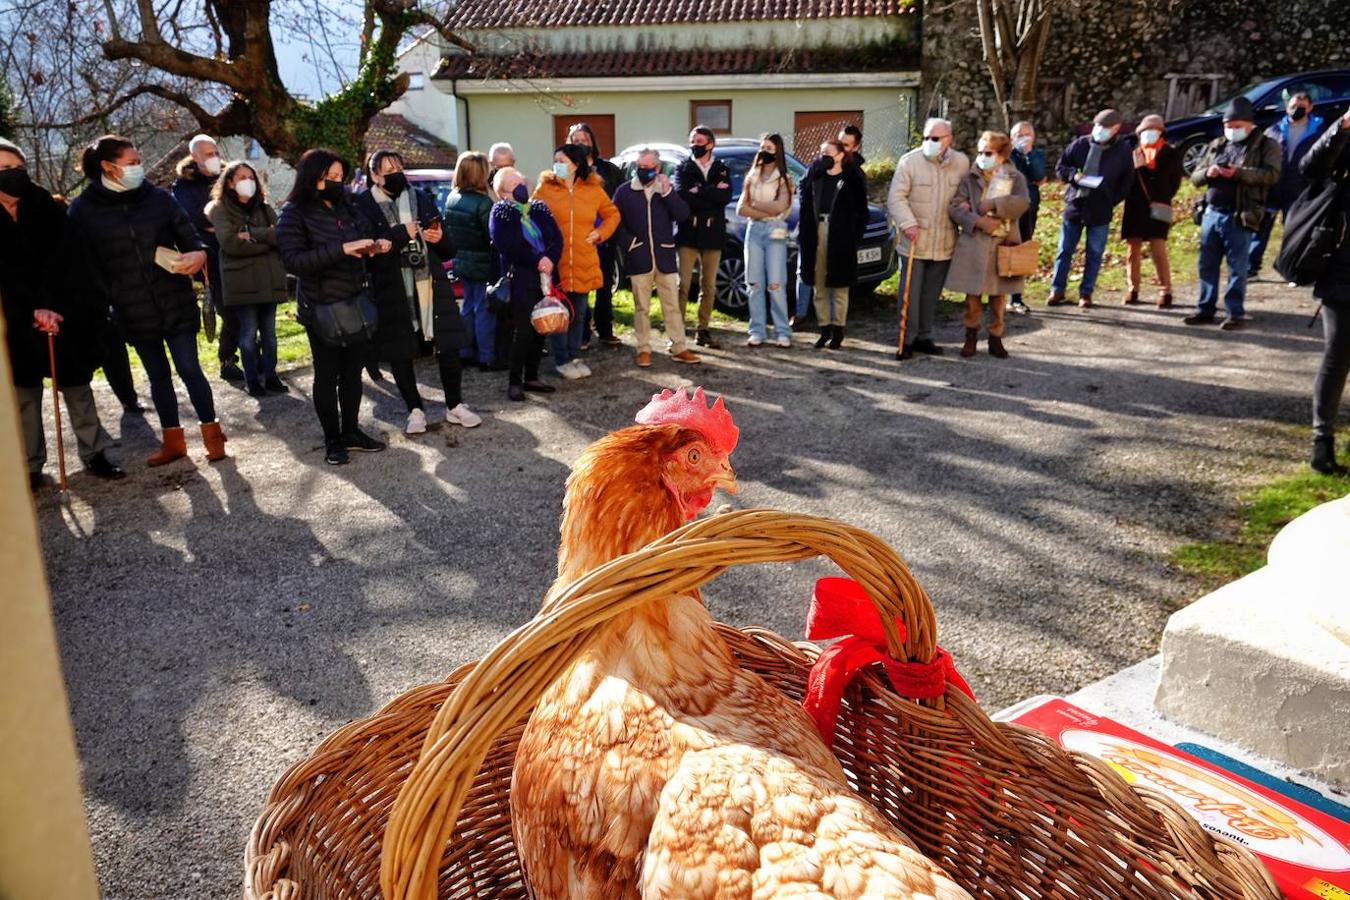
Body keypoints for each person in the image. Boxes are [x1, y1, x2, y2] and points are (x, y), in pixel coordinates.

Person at [68, 135, 227, 466]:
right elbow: (82, 265)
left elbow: (191, 238)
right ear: (108, 167)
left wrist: (197, 254)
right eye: (131, 163)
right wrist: (107, 300)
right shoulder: (83, 210)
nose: (138, 168)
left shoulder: (158, 198)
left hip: (175, 300)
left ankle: (213, 436)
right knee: (157, 376)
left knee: (190, 368)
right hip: (131, 309)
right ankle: (173, 441)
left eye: (138, 162)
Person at [0, 138, 124, 488]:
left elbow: (69, 261)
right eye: (3, 169)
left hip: (62, 312)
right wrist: (28, 312)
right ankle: (30, 465)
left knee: (77, 386)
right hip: (14, 320)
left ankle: (94, 453)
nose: (12, 174)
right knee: (24, 395)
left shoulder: (45, 206)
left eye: (17, 167)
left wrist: (53, 307)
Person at [276, 148, 390, 465]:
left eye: (341, 176)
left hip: (355, 300)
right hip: (321, 307)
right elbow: (293, 261)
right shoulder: (293, 213)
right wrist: (341, 249)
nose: (338, 182)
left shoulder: (348, 206)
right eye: (331, 177)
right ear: (312, 177)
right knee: (327, 375)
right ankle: (333, 440)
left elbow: (366, 232)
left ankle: (351, 431)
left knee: (353, 373)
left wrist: (375, 244)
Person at [356, 150, 481, 436]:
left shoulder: (421, 197)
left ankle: (455, 404)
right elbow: (368, 255)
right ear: (374, 175)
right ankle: (414, 409)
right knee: (400, 352)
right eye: (388, 170)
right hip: (391, 288)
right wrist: (402, 233)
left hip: (431, 285)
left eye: (399, 168)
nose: (396, 174)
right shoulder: (362, 205)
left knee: (449, 346)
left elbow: (449, 250)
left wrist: (440, 238)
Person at [1185, 97, 1281, 331]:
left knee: (1237, 267)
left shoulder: (1266, 145)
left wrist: (1238, 173)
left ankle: (1234, 312)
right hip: (1211, 213)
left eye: (1237, 126)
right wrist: (1208, 172)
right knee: (1206, 264)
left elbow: (1271, 175)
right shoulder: (1217, 144)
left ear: (1249, 124)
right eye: (1228, 126)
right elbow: (1195, 177)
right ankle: (1205, 308)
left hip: (1240, 214)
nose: (1231, 130)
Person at [531, 143, 620, 380]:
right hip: (555, 262)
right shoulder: (545, 188)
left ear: (576, 164)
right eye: (555, 160)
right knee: (559, 313)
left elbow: (612, 214)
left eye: (562, 161)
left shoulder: (593, 188)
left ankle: (574, 356)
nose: (557, 165)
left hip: (583, 259)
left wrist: (599, 234)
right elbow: (530, 215)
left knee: (578, 314)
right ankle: (561, 360)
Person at [888, 117, 970, 359]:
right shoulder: (909, 161)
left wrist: (966, 206)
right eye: (926, 137)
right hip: (915, 241)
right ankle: (906, 339)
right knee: (909, 295)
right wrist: (907, 223)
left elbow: (966, 194)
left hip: (944, 241)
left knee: (930, 295)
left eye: (935, 138)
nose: (929, 142)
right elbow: (896, 197)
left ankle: (924, 336)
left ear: (949, 139)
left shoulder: (961, 162)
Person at [206, 161, 289, 397]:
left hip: (269, 279)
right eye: (242, 177)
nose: (248, 182)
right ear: (230, 183)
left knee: (270, 335)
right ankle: (252, 379)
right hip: (242, 282)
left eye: (251, 177)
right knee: (248, 335)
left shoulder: (264, 208)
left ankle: (271, 376)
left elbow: (282, 235)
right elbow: (230, 244)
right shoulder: (220, 210)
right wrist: (266, 243)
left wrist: (252, 234)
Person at [947, 131, 1031, 360]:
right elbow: (955, 206)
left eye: (988, 153)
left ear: (1002, 154)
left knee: (999, 295)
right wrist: (977, 221)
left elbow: (1023, 202)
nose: (982, 157)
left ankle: (996, 336)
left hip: (1003, 244)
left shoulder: (1014, 177)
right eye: (980, 152)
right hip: (975, 244)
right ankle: (971, 335)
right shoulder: (970, 177)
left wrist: (995, 204)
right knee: (972, 296)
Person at [613, 148, 698, 367]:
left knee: (672, 305)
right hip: (639, 257)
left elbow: (683, 214)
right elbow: (614, 221)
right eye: (639, 167)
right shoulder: (624, 191)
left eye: (647, 167)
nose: (642, 170)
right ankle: (643, 349)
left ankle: (679, 347)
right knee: (642, 307)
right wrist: (630, 243)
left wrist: (668, 192)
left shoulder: (666, 189)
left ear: (657, 168)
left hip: (664, 256)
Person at [1300, 108, 1350, 474]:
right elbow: (1311, 168)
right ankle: (1322, 443)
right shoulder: (1344, 143)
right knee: (1337, 357)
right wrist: (1342, 127)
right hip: (1343, 271)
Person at [171, 134, 242, 382]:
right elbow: (194, 220)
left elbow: (243, 209)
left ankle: (252, 355)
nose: (214, 158)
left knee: (246, 309)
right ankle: (227, 359)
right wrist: (222, 226)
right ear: (195, 157)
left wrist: (222, 225)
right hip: (211, 257)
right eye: (208, 154)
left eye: (215, 152)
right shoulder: (184, 187)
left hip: (239, 252)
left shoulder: (229, 176)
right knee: (229, 311)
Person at [489, 167, 563, 401]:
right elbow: (508, 245)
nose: (521, 187)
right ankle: (515, 380)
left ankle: (532, 376)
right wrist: (537, 259)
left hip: (546, 277)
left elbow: (556, 238)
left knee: (542, 328)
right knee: (523, 331)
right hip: (521, 279)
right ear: (502, 192)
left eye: (521, 181)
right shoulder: (501, 212)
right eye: (514, 185)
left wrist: (549, 258)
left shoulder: (539, 208)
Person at [1047, 109, 1134, 308]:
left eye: (1105, 127)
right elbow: (1061, 167)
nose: (1100, 130)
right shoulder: (1080, 144)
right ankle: (1057, 289)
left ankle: (1086, 293)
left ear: (1116, 129)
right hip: (1075, 206)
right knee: (1064, 250)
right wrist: (1073, 176)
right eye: (1097, 126)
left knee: (1094, 253)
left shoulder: (1122, 151)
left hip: (1101, 209)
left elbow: (1127, 181)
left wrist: (1111, 199)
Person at [799, 139, 869, 349]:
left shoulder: (852, 178)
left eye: (828, 153)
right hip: (817, 232)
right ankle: (824, 329)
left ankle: (838, 330)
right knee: (818, 284)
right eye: (821, 153)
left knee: (839, 286)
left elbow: (862, 211)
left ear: (840, 155)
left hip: (841, 235)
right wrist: (812, 171)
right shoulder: (816, 176)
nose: (823, 157)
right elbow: (802, 197)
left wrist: (854, 237)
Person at [1250, 92, 1327, 278]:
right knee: (1260, 229)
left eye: (1301, 106)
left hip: (1300, 188)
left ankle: (1292, 268)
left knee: (1295, 232)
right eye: (1293, 106)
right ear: (1286, 107)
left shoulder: (1320, 132)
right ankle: (1251, 268)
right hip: (1272, 188)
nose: (1296, 109)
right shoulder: (1273, 131)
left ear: (1310, 108)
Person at [674, 126, 733, 348]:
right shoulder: (683, 168)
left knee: (708, 285)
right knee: (683, 284)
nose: (694, 145)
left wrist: (700, 190)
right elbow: (682, 196)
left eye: (699, 141)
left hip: (713, 233)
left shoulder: (722, 168)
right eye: (692, 141)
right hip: (688, 233)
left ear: (710, 144)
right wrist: (711, 191)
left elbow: (724, 197)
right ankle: (677, 330)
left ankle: (703, 329)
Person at [567, 122, 624, 347]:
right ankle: (582, 332)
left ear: (592, 142)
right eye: (576, 141)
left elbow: (619, 203)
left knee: (604, 286)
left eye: (584, 140)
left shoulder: (609, 170)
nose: (581, 144)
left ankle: (605, 329)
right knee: (580, 288)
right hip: (578, 239)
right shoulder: (566, 170)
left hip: (604, 238)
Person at [1119, 115, 1184, 308]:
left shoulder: (1171, 154)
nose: (1149, 134)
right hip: (1134, 207)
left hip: (1159, 205)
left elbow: (1174, 183)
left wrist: (1158, 193)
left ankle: (1165, 290)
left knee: (1158, 249)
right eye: (1145, 131)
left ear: (1161, 133)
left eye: (1154, 130)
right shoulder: (1134, 154)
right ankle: (1133, 288)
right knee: (1132, 250)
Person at [736, 133, 794, 348]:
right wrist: (764, 209)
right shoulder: (752, 176)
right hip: (754, 230)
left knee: (776, 284)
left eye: (769, 148)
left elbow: (781, 207)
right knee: (754, 283)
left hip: (775, 231)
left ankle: (782, 332)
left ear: (777, 152)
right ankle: (757, 331)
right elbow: (741, 208)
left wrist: (756, 205)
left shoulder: (784, 179)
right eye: (762, 147)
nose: (764, 152)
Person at [445, 152, 499, 371]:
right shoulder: (483, 203)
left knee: (467, 307)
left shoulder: (452, 197)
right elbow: (492, 236)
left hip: (461, 260)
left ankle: (465, 351)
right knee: (484, 309)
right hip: (483, 262)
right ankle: (487, 356)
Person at [1008, 121, 1046, 314]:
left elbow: (1039, 176)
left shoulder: (1037, 155)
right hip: (1007, 208)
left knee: (1022, 248)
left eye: (1026, 135)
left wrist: (1029, 154)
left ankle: (1016, 297)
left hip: (1028, 208)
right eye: (1018, 135)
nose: (1022, 138)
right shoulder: (1006, 155)